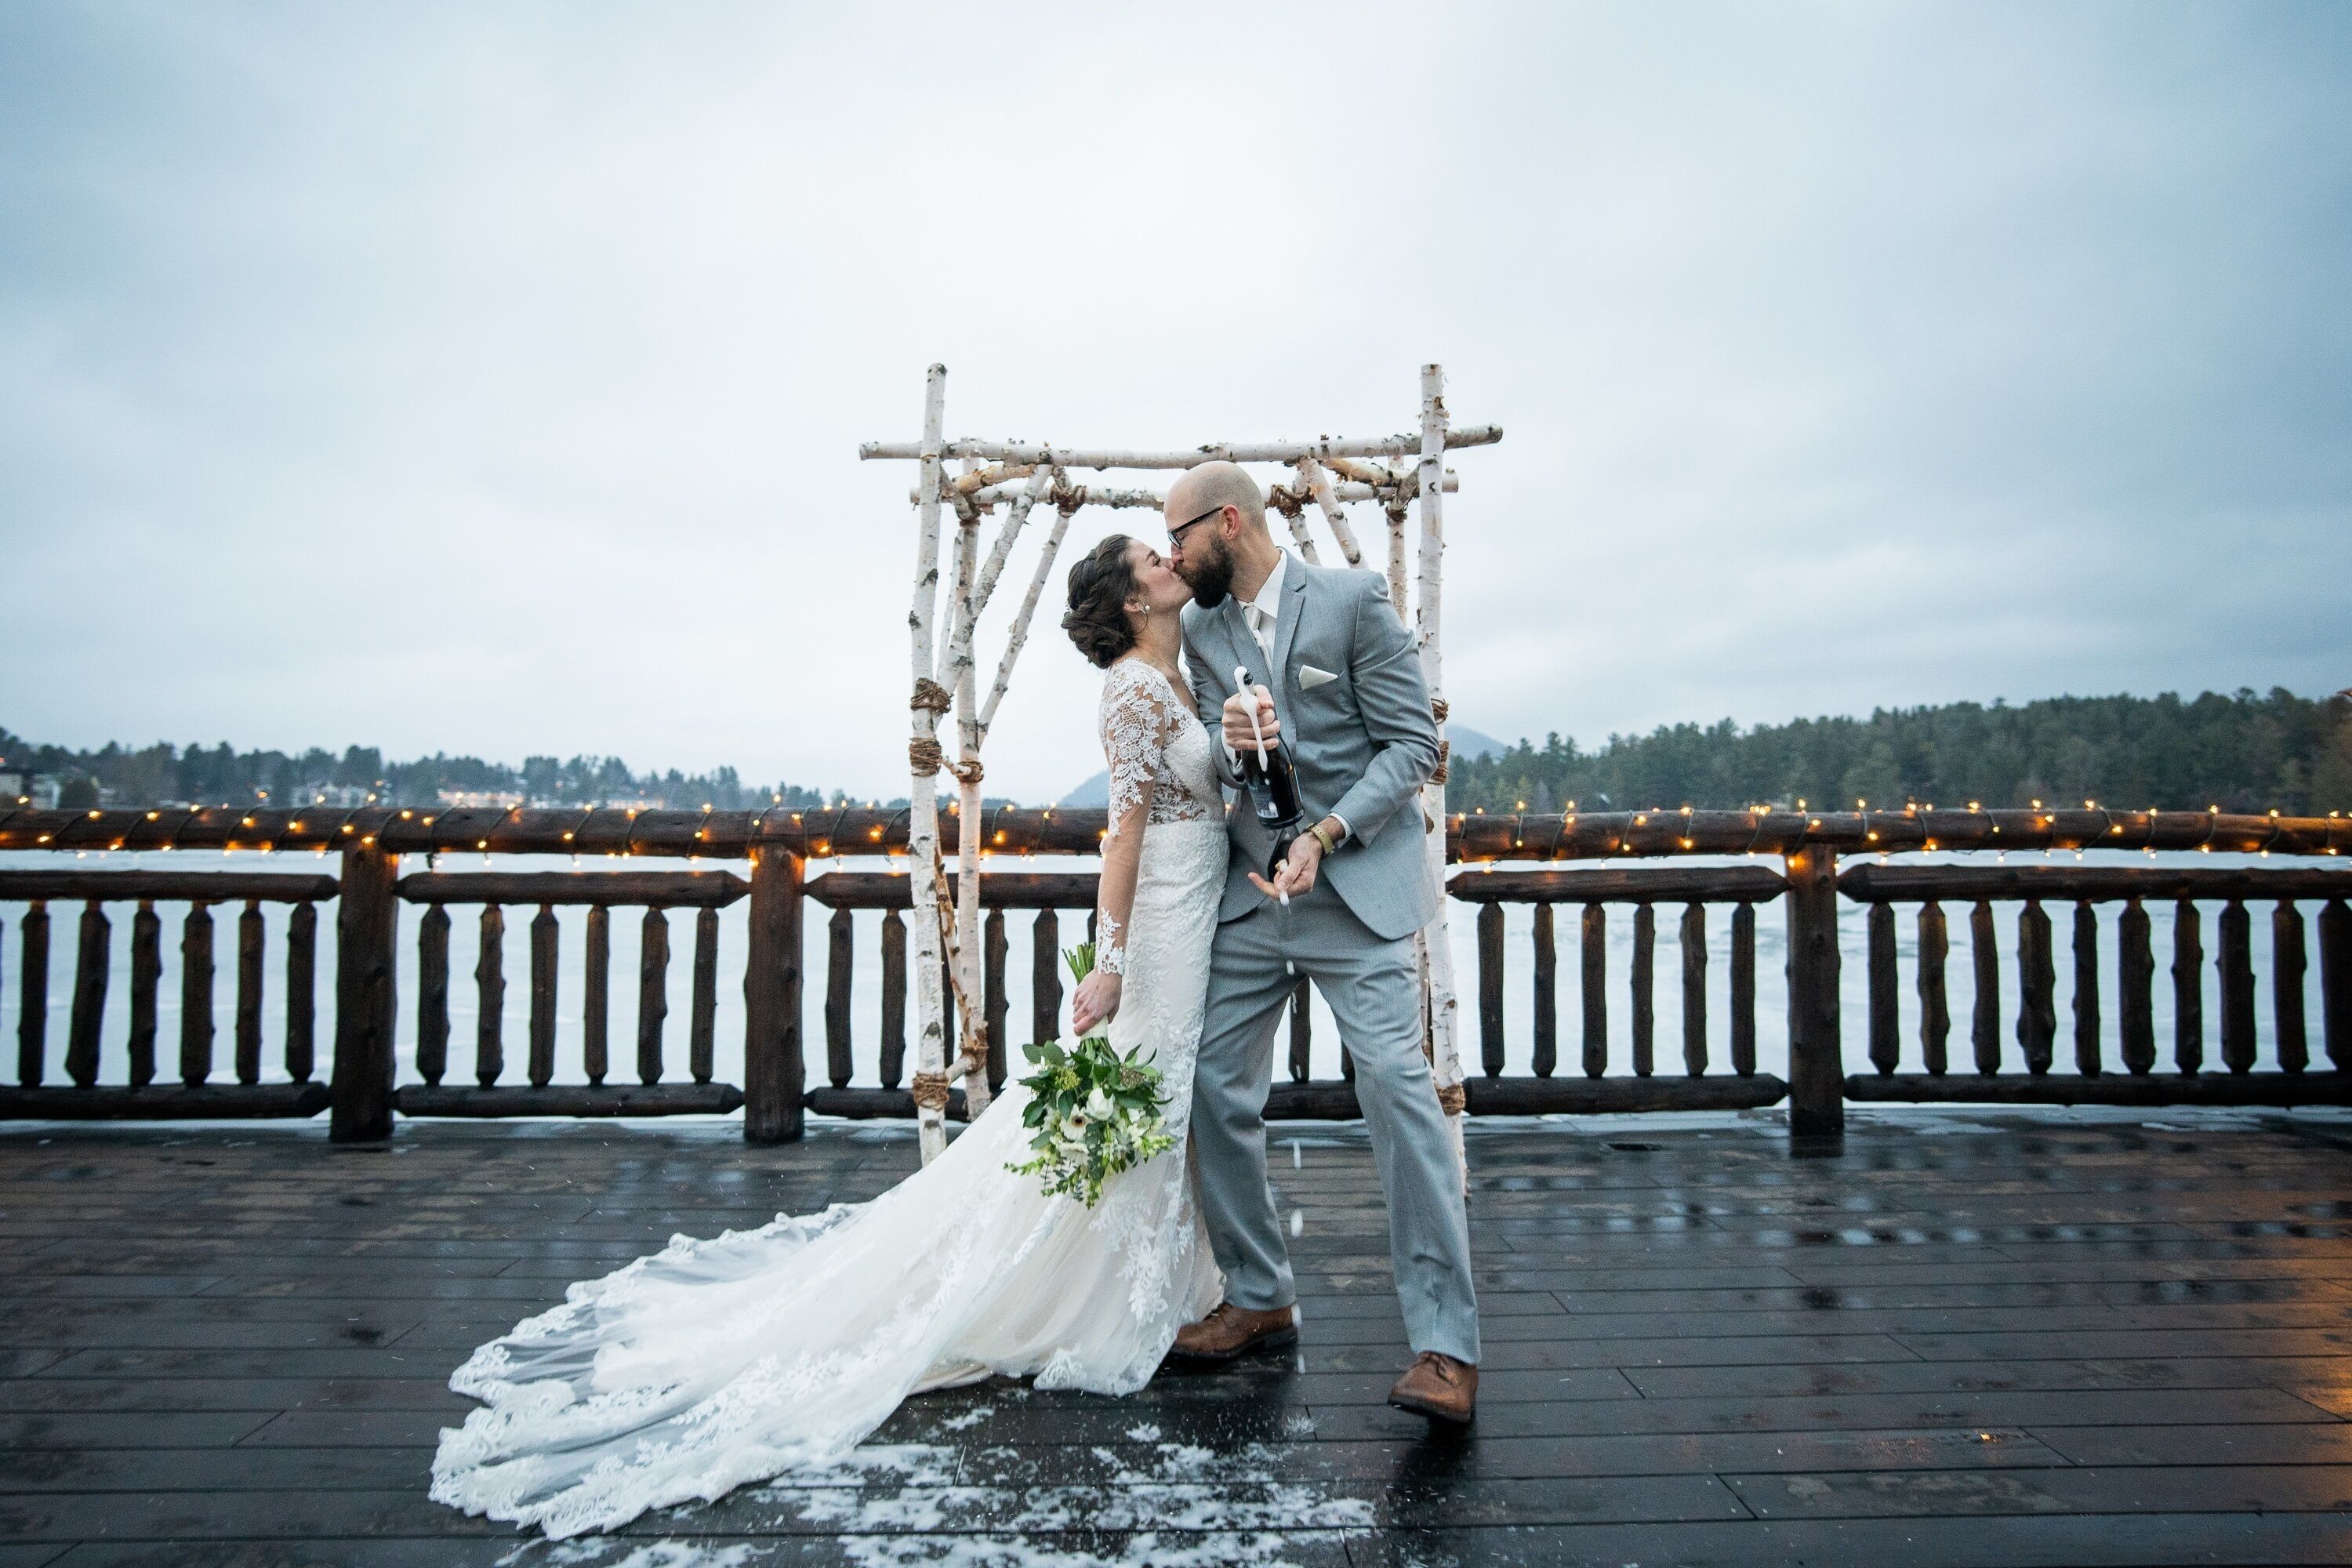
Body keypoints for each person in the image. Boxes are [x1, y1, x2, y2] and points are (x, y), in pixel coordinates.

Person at [429, 532, 1228, 1537]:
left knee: (1152, 1090)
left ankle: (1165, 1273)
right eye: (1150, 558)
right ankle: (1096, 1287)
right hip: (1155, 925)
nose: (1167, 561)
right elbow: (1123, 834)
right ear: (1129, 599)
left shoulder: (1184, 670)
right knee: (1134, 1086)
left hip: (1199, 912)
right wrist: (1109, 957)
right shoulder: (1131, 690)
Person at [1165, 460, 1480, 1424]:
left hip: (1355, 894)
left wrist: (1328, 832)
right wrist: (1228, 738)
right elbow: (1226, 764)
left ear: (1230, 522)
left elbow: (1412, 749)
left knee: (1396, 1089)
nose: (1172, 556)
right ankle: (1261, 1292)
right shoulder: (1201, 630)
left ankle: (1445, 1345)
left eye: (1178, 535)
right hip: (1252, 898)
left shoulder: (1350, 601)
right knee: (1212, 1083)